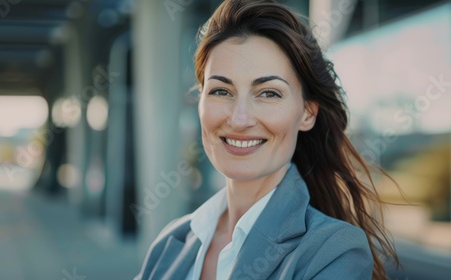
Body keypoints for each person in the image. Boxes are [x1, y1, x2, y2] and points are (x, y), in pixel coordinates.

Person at [136, 0, 397, 279]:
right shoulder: (170, 243)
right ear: (200, 100)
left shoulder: (333, 252)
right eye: (221, 91)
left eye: (269, 93)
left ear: (307, 113)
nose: (239, 119)